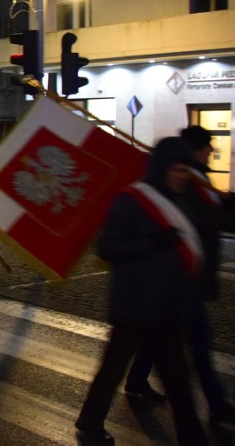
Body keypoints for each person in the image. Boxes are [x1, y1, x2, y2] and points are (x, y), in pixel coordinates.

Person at [75, 137, 208, 445]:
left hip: (169, 308)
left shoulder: (183, 200)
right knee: (112, 371)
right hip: (135, 306)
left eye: (184, 169)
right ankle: (90, 420)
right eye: (175, 169)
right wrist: (152, 242)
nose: (180, 175)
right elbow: (108, 247)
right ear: (162, 168)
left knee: (178, 380)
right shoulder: (131, 199)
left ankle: (192, 436)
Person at [123, 125, 235, 421]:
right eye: (208, 145)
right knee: (197, 345)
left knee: (160, 337)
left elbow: (213, 208)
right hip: (184, 277)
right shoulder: (189, 181)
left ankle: (135, 381)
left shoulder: (193, 178)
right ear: (196, 148)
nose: (212, 150)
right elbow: (210, 216)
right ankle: (215, 405)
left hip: (182, 276)